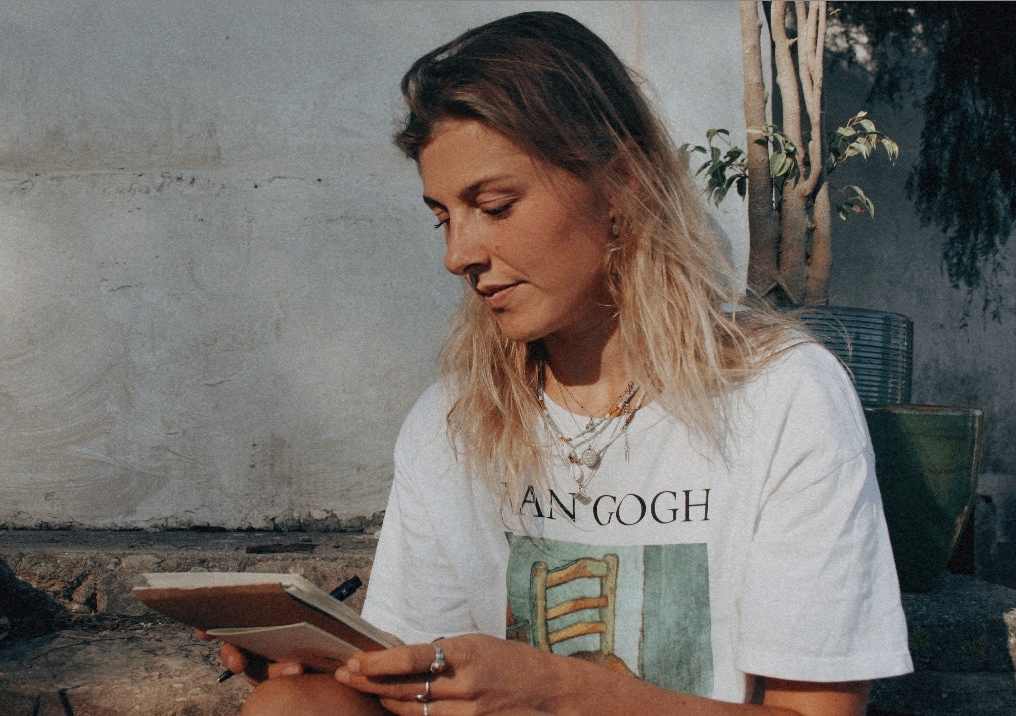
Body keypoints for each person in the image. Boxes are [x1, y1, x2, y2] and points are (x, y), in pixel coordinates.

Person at [225, 11, 912, 715]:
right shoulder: (453, 419)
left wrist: (556, 692)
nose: (458, 254)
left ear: (620, 182)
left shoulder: (782, 396)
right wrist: (323, 670)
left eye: (495, 206)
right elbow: (421, 690)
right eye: (442, 217)